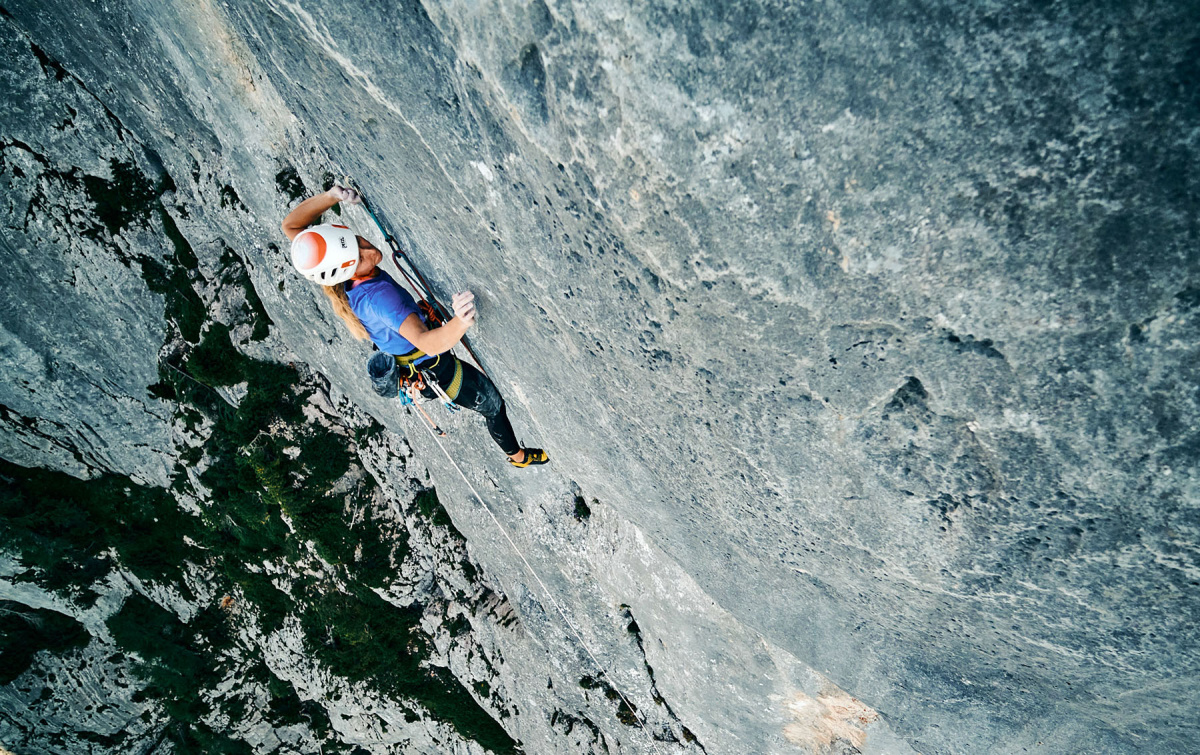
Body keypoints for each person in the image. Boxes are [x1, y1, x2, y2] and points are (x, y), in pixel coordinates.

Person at [281, 185, 548, 468]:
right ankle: (518, 457)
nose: (368, 249)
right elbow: (430, 344)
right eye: (359, 257)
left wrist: (332, 197)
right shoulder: (379, 298)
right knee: (493, 406)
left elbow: (291, 226)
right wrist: (461, 319)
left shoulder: (334, 263)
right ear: (346, 269)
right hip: (432, 368)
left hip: (409, 358)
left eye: (356, 240)